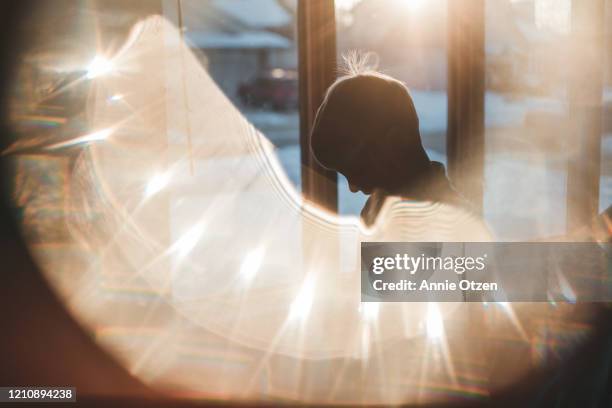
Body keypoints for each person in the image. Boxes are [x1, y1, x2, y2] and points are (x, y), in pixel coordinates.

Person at [309, 61, 465, 226]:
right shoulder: (374, 211)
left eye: (359, 171)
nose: (352, 188)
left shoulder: (456, 220)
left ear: (396, 142)